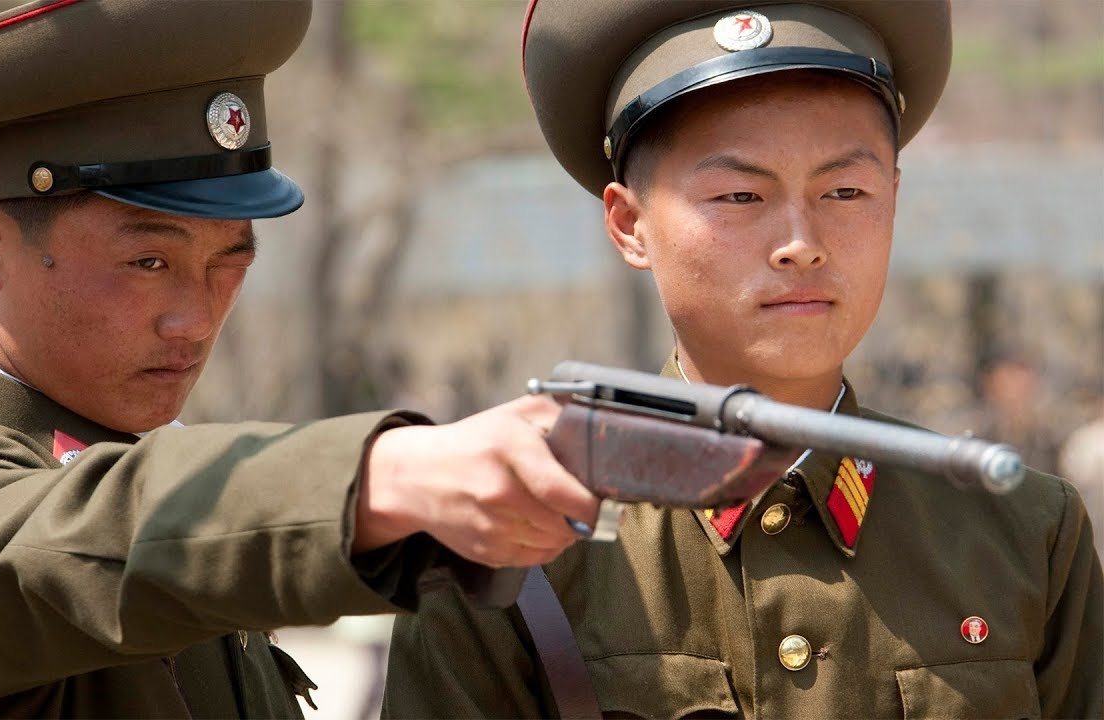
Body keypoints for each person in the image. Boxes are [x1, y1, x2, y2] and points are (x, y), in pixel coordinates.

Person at [0, 1, 600, 717]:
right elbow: (91, 534)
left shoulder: (177, 491)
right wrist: (386, 475)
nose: (196, 319)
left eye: (230, 261)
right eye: (149, 263)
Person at [383, 1, 1103, 718]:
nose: (801, 241)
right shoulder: (505, 535)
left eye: (846, 191)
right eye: (741, 195)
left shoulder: (1022, 534)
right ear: (629, 225)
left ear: (894, 200)